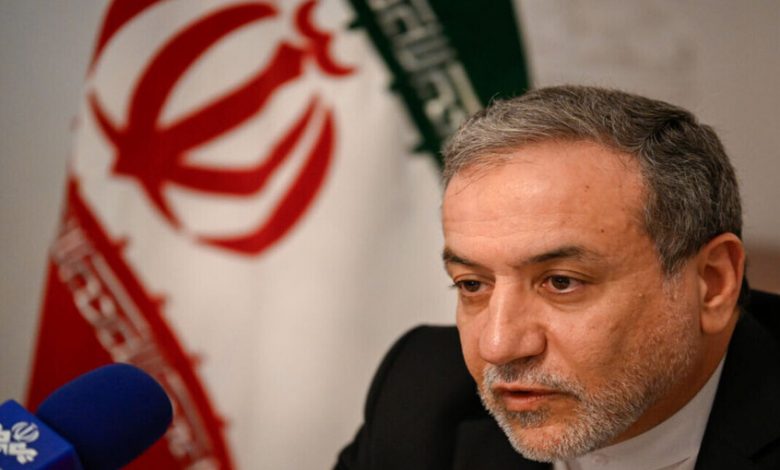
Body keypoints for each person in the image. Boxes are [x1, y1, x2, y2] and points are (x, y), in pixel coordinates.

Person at [335, 85, 780, 470]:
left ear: (712, 284)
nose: (498, 346)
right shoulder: (421, 398)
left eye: (561, 282)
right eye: (472, 284)